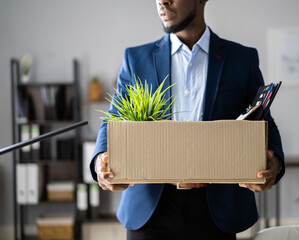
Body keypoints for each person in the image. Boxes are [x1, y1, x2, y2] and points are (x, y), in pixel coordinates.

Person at [90, 0, 285, 239]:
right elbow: (113, 119)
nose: (162, 1)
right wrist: (100, 160)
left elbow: (265, 122)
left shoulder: (241, 59)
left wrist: (273, 164)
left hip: (216, 210)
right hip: (150, 209)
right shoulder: (136, 59)